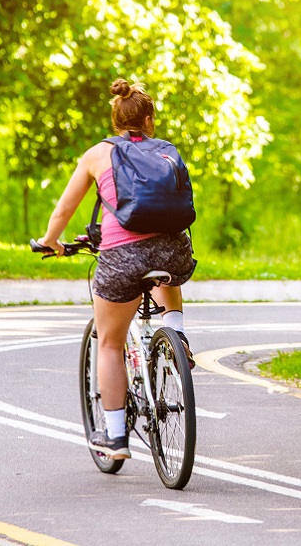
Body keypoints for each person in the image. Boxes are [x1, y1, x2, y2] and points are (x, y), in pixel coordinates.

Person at [37, 78, 196, 459]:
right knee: (163, 262)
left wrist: (50, 241)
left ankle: (115, 436)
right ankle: (176, 334)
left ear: (115, 118)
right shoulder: (167, 151)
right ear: (150, 118)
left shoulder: (97, 154)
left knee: (108, 342)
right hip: (175, 253)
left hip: (123, 258)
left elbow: (64, 210)